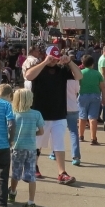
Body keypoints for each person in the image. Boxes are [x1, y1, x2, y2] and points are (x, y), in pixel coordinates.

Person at [24, 45, 82, 185]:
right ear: (46, 55)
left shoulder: (62, 70)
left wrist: (69, 62)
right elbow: (28, 75)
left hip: (59, 114)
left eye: (55, 58)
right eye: (51, 57)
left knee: (59, 144)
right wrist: (44, 62)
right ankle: (32, 166)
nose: (53, 61)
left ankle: (62, 173)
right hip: (40, 114)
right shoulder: (38, 67)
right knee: (37, 145)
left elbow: (79, 76)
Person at [9, 88, 45, 207]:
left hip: (17, 148)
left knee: (15, 173)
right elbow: (41, 131)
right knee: (31, 175)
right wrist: (32, 133)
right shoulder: (36, 114)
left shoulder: (13, 113)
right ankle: (31, 202)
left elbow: (9, 130)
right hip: (31, 148)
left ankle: (12, 193)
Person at [76, 55, 105, 146]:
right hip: (95, 96)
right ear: (93, 64)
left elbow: (77, 86)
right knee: (93, 117)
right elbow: (102, 87)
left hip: (83, 95)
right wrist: (104, 98)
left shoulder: (81, 72)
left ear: (83, 64)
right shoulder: (97, 74)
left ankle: (81, 136)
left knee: (82, 117)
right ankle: (93, 138)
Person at [66, 74, 82, 166]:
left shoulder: (58, 78)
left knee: (57, 132)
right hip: (72, 107)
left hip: (60, 108)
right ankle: (76, 156)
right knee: (74, 132)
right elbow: (77, 91)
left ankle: (54, 153)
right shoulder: (74, 79)